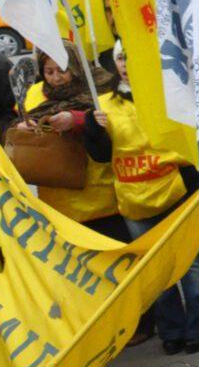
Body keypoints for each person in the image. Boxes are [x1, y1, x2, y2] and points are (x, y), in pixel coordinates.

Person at [84, 49, 199, 352]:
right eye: (120, 59)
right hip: (134, 201)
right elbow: (101, 156)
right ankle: (171, 331)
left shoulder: (171, 96)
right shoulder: (103, 105)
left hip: (175, 192)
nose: (126, 65)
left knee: (192, 265)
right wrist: (94, 130)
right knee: (154, 270)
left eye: (132, 56)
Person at [18, 52, 122, 238]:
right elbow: (18, 122)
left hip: (100, 197)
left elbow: (117, 122)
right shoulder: (34, 92)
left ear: (76, 67)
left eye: (62, 70)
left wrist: (78, 119)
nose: (55, 78)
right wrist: (23, 126)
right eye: (48, 71)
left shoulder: (100, 87)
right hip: (57, 201)